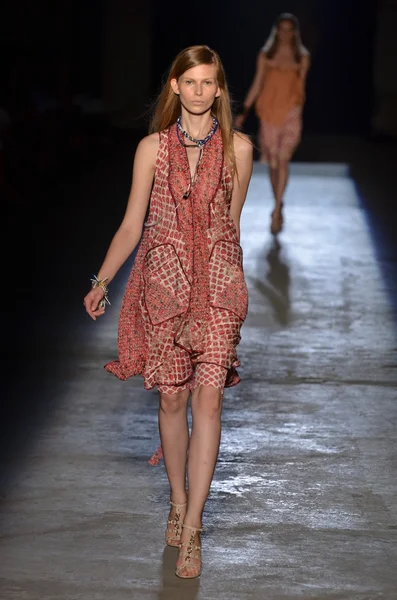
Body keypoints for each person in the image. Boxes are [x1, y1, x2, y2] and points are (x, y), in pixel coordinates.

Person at [83, 45, 253, 579]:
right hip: (164, 284)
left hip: (220, 284)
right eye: (191, 82)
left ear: (220, 90)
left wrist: (231, 283)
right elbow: (133, 224)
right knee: (174, 398)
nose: (201, 91)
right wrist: (102, 280)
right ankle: (177, 499)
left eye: (210, 83)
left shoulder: (239, 149)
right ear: (175, 87)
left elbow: (231, 225)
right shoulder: (151, 149)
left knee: (208, 399)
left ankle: (195, 525)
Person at [235, 13, 310, 235]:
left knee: (283, 159)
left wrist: (299, 111)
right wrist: (245, 111)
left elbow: (301, 87)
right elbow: (257, 83)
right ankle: (277, 201)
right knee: (274, 163)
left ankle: (277, 209)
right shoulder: (266, 55)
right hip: (268, 112)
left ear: (295, 32)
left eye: (290, 30)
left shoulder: (301, 57)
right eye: (282, 29)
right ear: (276, 30)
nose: (285, 34)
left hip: (291, 112)